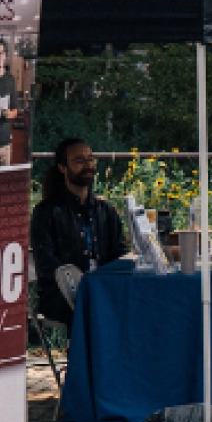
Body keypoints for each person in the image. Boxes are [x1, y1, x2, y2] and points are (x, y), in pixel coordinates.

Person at [30, 138, 128, 327]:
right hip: (62, 295)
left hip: (103, 289)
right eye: (79, 161)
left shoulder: (106, 210)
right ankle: (90, 356)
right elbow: (46, 263)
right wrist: (81, 283)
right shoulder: (46, 212)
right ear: (63, 168)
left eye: (90, 159)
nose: (88, 165)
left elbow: (119, 253)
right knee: (97, 307)